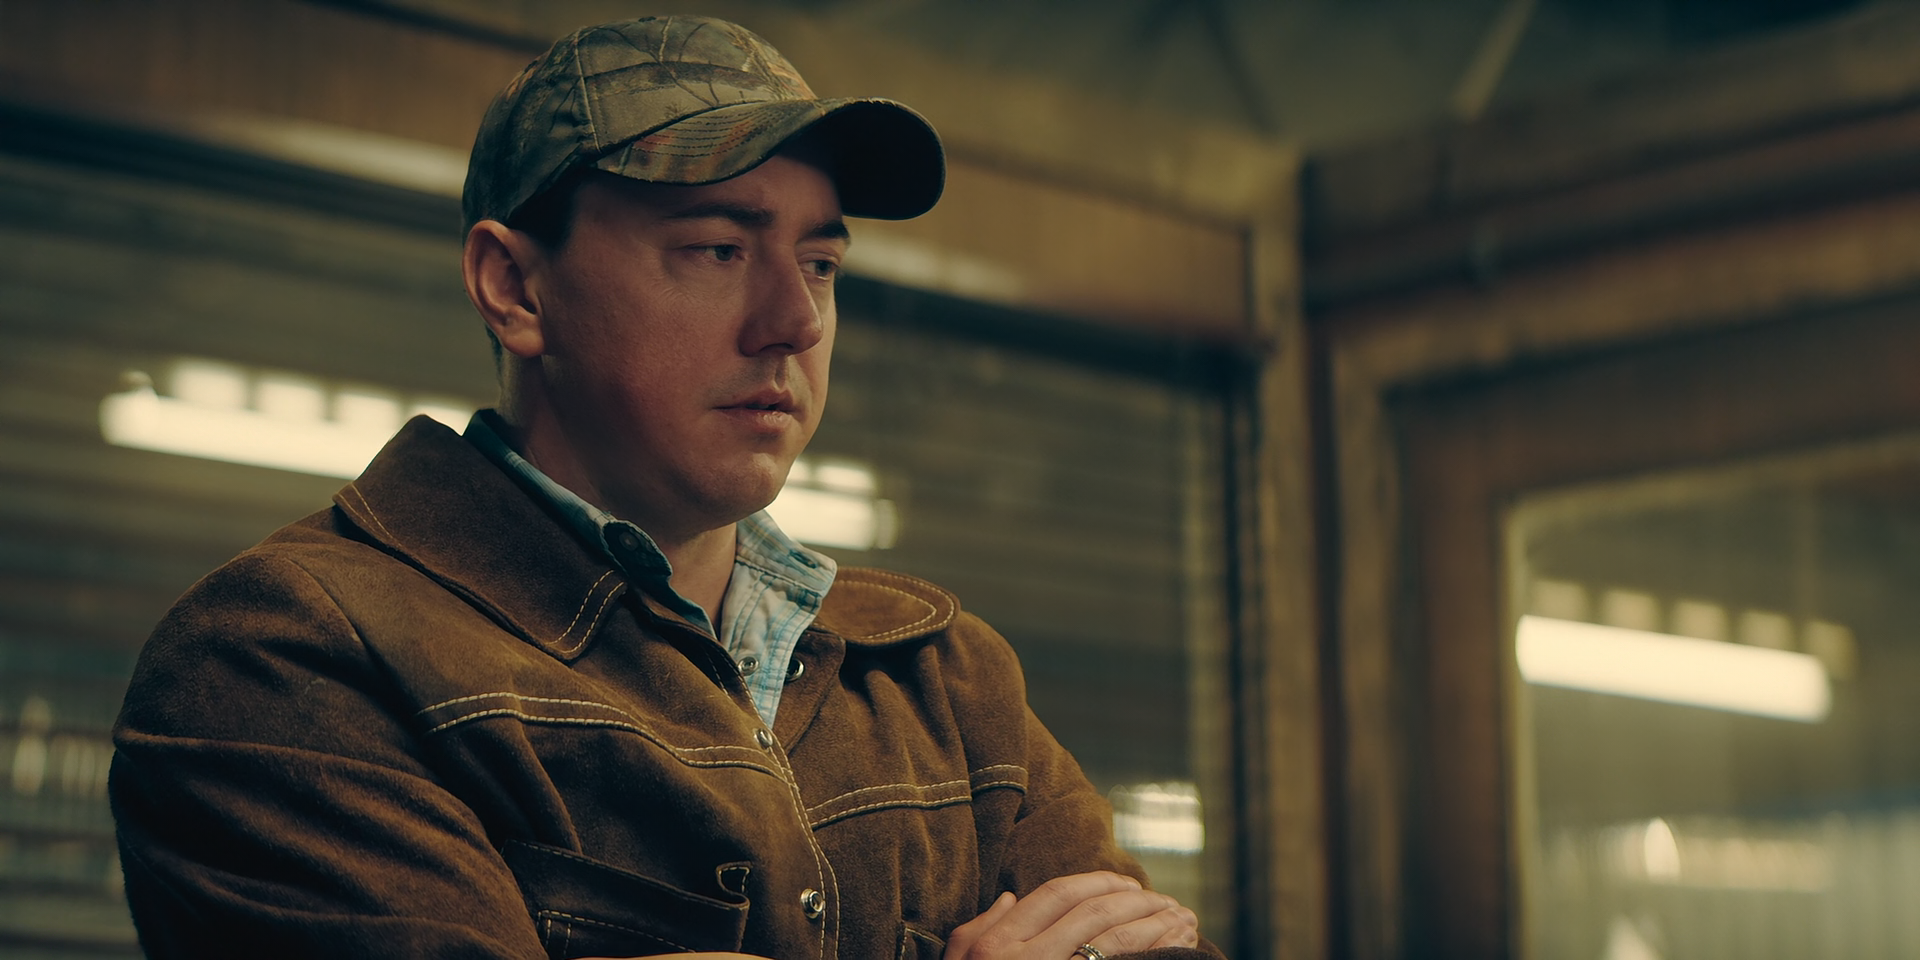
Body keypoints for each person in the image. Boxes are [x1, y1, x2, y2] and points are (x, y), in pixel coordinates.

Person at [109, 15, 1215, 960]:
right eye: (718, 250)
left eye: (821, 264)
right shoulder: (287, 657)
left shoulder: (944, 680)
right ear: (515, 287)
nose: (797, 322)